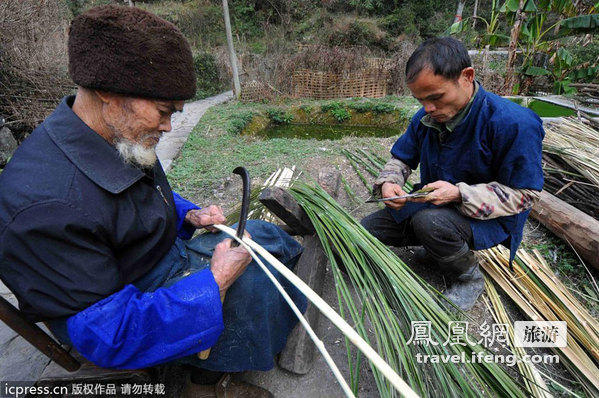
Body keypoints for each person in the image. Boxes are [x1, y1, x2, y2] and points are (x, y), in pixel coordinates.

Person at [0, 5, 306, 397]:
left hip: (157, 257)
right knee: (257, 285)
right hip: (116, 313)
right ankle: (205, 384)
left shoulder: (113, 134)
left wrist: (187, 213)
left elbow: (138, 196)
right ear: (107, 91)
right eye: (163, 112)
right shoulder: (44, 206)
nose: (168, 127)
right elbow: (108, 334)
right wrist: (214, 282)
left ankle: (225, 353)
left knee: (266, 238)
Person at [361, 37, 544, 311]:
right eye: (420, 100)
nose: (428, 108)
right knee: (370, 228)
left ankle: (469, 277)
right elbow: (401, 158)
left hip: (487, 217)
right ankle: (437, 249)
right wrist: (389, 182)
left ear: (466, 77)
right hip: (434, 206)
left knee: (430, 223)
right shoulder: (426, 118)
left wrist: (460, 193)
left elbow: (526, 196)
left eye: (436, 97)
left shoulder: (513, 123)